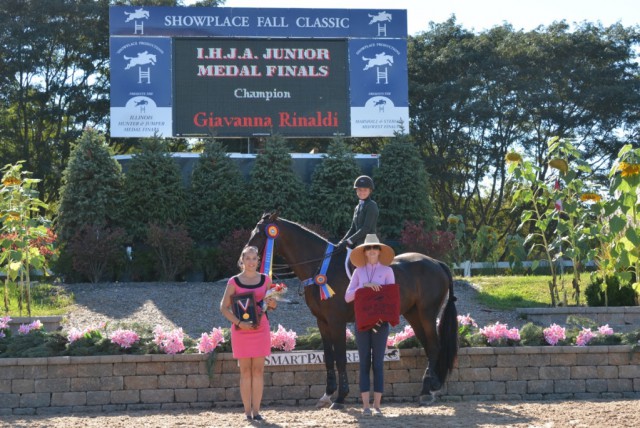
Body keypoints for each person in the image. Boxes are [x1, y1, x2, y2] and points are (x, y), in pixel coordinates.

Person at [220, 246, 277, 422]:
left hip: (261, 329)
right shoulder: (234, 281)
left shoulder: (266, 280)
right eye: (248, 258)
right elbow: (223, 307)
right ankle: (247, 412)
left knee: (258, 371)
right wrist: (239, 323)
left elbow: (272, 306)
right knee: (245, 371)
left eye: (254, 258)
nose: (251, 262)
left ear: (258, 261)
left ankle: (257, 412)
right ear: (242, 260)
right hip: (241, 331)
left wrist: (273, 302)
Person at [344, 234, 396, 416]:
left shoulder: (388, 271)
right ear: (364, 252)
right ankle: (365, 406)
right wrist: (364, 286)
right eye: (369, 248)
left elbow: (391, 298)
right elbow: (347, 296)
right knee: (364, 362)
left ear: (379, 251)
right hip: (362, 322)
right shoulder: (358, 272)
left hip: (381, 323)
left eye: (375, 248)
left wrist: (378, 288)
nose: (372, 251)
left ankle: (377, 406)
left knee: (378, 364)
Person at [337, 175, 379, 251]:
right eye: (359, 189)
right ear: (356, 191)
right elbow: (352, 228)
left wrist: (349, 241)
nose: (362, 192)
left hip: (369, 244)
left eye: (365, 190)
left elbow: (366, 228)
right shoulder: (357, 207)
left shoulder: (372, 205)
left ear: (370, 191)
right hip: (358, 244)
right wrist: (342, 241)